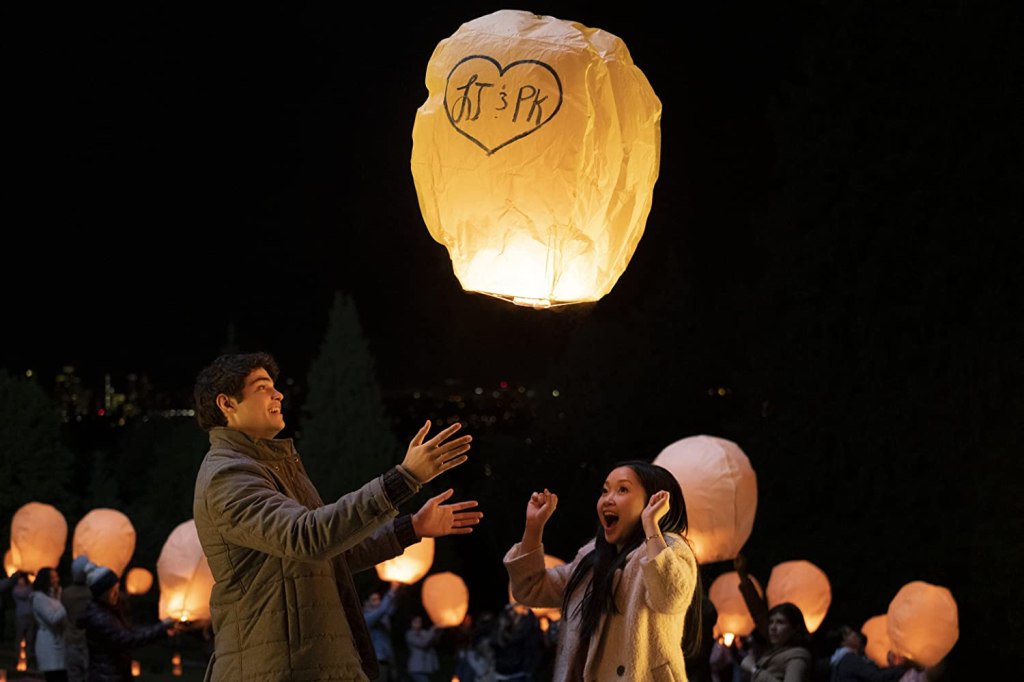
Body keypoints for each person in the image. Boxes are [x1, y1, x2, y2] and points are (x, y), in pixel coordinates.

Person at [191, 351, 483, 681]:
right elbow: (306, 537)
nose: (278, 394)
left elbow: (332, 554)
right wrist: (402, 479)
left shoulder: (276, 468)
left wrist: (411, 528)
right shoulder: (228, 475)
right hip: (279, 666)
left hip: (311, 662)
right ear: (226, 404)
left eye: (274, 386)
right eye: (262, 387)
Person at [504, 459, 703, 681]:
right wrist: (533, 528)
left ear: (653, 502)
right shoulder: (592, 558)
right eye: (605, 490)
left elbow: (669, 597)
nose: (608, 499)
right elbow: (530, 590)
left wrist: (651, 526)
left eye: (623, 489)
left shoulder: (669, 549)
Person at [77, 562, 181, 682]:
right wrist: (162, 627)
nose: (117, 594)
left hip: (113, 673)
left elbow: (131, 631)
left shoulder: (108, 611)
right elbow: (128, 639)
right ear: (103, 593)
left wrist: (164, 631)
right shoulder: (99, 618)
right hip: (106, 676)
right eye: (113, 591)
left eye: (117, 589)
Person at [739, 602, 813, 682]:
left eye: (780, 622)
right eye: (771, 622)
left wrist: (754, 670)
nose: (773, 627)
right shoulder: (771, 652)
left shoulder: (797, 656)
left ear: (795, 628)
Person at [829, 625, 905, 681]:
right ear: (843, 642)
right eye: (849, 634)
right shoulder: (850, 660)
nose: (854, 634)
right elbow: (876, 677)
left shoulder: (844, 660)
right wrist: (903, 667)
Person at [31, 566, 68, 682]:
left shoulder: (56, 596)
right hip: (48, 645)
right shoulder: (38, 598)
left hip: (60, 642)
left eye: (56, 577)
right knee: (54, 677)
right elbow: (52, 618)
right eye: (53, 578)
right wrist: (66, 604)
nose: (56, 580)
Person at [62, 556, 94, 682]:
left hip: (71, 640)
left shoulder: (66, 593)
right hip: (88, 641)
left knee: (74, 676)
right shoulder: (92, 593)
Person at [363, 581, 401, 681]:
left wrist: (398, 590)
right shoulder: (366, 618)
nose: (378, 602)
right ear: (366, 603)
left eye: (379, 599)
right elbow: (383, 609)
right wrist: (392, 590)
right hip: (377, 664)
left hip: (388, 662)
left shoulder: (382, 618)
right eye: (374, 600)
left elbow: (390, 607)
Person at [404, 613, 441, 682]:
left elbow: (433, 641)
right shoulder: (410, 634)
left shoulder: (423, 632)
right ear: (411, 623)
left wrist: (438, 630)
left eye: (420, 621)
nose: (418, 623)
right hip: (416, 668)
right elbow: (423, 643)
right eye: (416, 622)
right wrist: (432, 629)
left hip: (425, 667)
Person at [13, 569, 37, 664]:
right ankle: (18, 657)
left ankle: (29, 657)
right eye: (20, 579)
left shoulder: (30, 589)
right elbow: (24, 594)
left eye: (22, 579)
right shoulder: (16, 590)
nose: (21, 581)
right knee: (19, 637)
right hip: (21, 616)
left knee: (29, 638)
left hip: (30, 616)